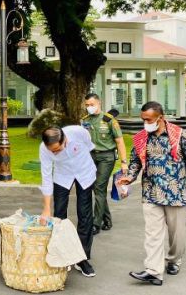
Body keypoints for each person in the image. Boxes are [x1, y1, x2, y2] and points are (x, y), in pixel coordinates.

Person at [119, 101, 186, 286]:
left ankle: (174, 259)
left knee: (177, 236)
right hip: (151, 193)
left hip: (175, 194)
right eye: (143, 119)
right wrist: (130, 176)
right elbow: (136, 161)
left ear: (161, 118)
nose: (145, 123)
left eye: (148, 119)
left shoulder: (178, 135)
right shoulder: (142, 137)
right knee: (152, 234)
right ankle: (154, 271)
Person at [39, 125, 97, 277]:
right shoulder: (44, 149)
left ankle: (82, 258)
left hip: (84, 172)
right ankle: (62, 254)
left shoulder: (78, 132)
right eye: (53, 151)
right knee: (59, 216)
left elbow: (89, 145)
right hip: (62, 176)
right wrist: (46, 208)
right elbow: (46, 177)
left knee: (84, 214)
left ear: (65, 139)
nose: (56, 153)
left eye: (58, 149)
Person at [81, 93, 128, 235]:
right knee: (98, 189)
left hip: (106, 157)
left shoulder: (109, 120)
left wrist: (124, 162)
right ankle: (107, 220)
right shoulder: (85, 121)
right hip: (91, 157)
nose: (89, 107)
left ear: (99, 103)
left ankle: (96, 223)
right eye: (87, 105)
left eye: (92, 104)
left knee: (99, 187)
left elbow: (120, 141)